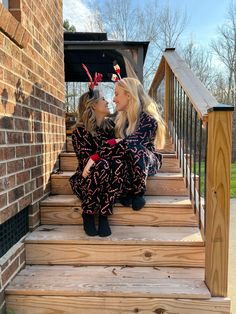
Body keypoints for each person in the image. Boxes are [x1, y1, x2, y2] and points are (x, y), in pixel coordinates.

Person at [69, 89, 126, 237]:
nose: (108, 101)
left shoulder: (111, 128)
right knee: (102, 164)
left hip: (109, 182)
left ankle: (103, 214)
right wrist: (111, 145)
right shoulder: (80, 132)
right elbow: (87, 162)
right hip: (87, 182)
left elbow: (119, 152)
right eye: (103, 99)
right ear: (93, 105)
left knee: (117, 162)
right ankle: (88, 212)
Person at [111, 77, 166, 209]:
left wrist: (115, 143)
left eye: (117, 94)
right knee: (116, 156)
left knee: (135, 149)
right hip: (127, 161)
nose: (113, 99)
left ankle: (138, 192)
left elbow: (132, 143)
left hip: (146, 161)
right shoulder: (121, 120)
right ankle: (123, 191)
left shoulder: (148, 119)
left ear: (129, 95)